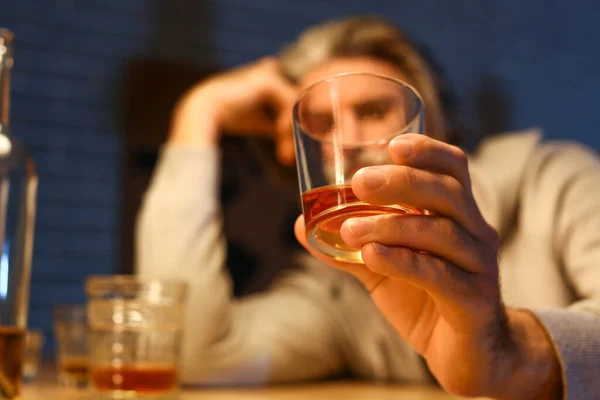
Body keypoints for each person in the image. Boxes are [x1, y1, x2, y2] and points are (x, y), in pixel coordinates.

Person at [136, 16, 600, 399]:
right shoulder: (339, 291)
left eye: (374, 111)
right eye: (322, 124)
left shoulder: (557, 181)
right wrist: (198, 113)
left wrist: (516, 354)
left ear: (431, 125)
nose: (349, 142)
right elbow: (193, 353)